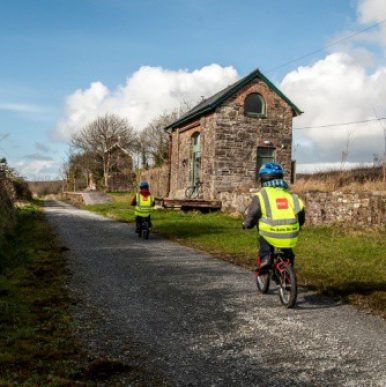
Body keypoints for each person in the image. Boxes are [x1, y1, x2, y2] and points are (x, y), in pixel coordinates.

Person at [243, 162, 305, 270]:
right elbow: (301, 215)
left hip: (270, 232)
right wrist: (298, 225)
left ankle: (265, 258)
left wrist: (247, 224)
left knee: (264, 238)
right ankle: (288, 264)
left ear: (262, 180)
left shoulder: (261, 195)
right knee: (286, 249)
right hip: (291, 233)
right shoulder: (291, 196)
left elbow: (253, 214)